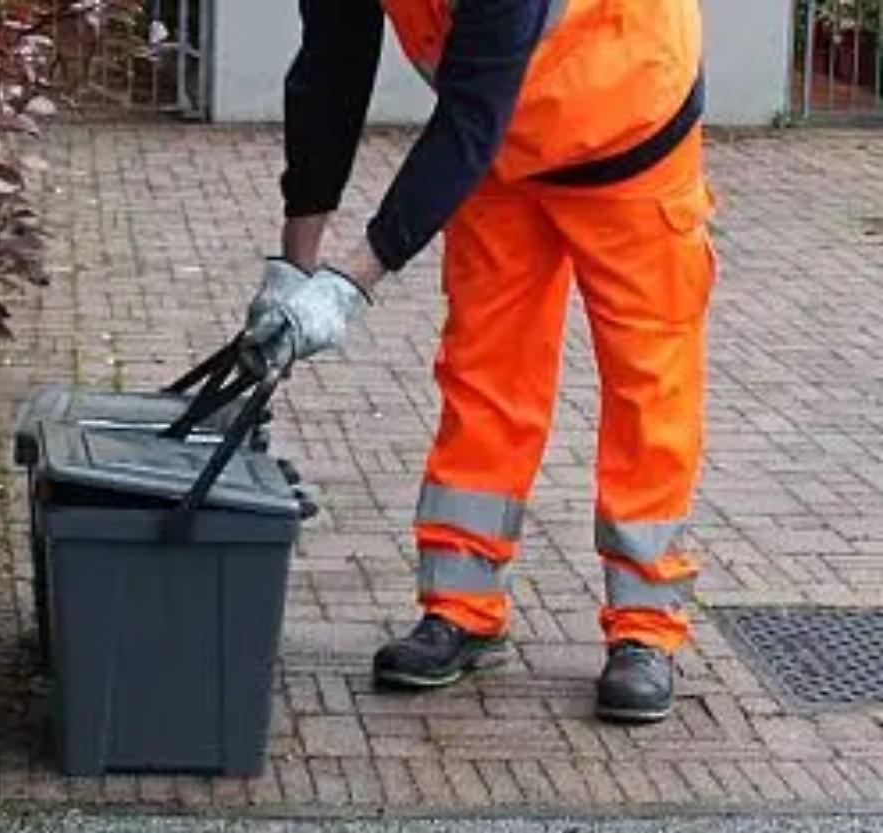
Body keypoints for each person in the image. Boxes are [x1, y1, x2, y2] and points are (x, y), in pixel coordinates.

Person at [242, 0, 715, 724]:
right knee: (483, 372)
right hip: (502, 151)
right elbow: (331, 72)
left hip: (630, 132)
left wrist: (347, 288)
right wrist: (293, 266)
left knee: (647, 385)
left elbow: (468, 115)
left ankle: (645, 631)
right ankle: (462, 609)